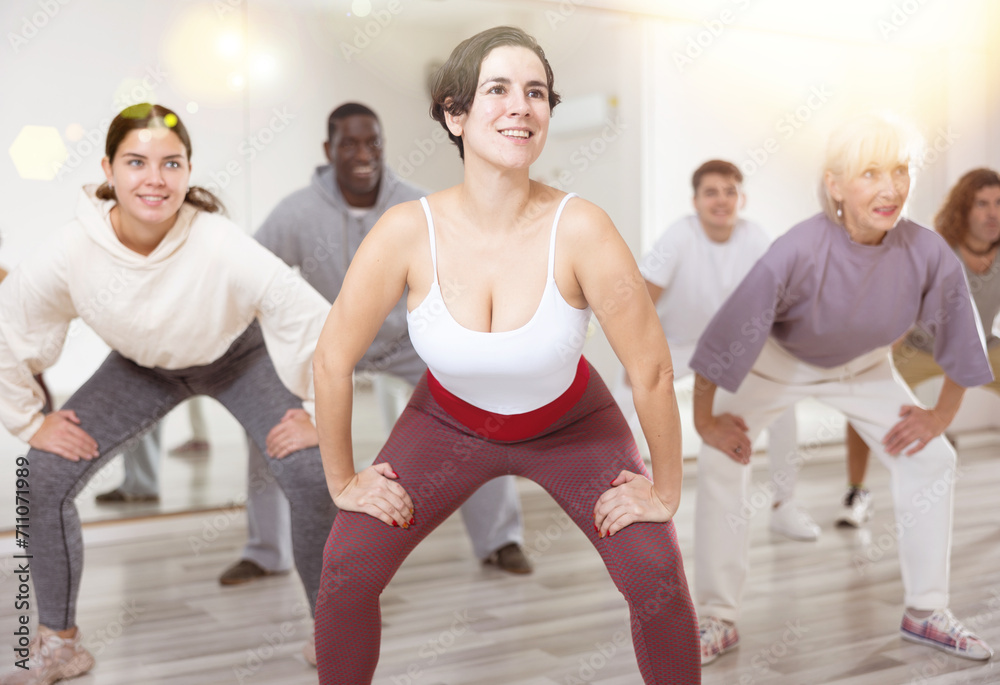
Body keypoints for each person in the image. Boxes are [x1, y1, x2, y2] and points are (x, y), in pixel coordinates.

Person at [312, 26, 700, 684]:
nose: (520, 105)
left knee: (657, 572)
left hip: (574, 425)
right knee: (347, 567)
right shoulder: (407, 230)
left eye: (536, 92)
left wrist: (665, 487)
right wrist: (342, 480)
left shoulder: (582, 228)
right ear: (455, 113)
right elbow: (330, 357)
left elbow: (651, 369)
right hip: (444, 423)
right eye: (498, 89)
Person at [0, 103, 335, 683]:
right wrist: (30, 423)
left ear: (187, 172)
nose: (154, 179)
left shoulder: (219, 242)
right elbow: (10, 326)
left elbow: (312, 318)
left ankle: (335, 625)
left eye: (171, 164)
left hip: (239, 357)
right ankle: (59, 640)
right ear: (108, 169)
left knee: (310, 471)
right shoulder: (70, 251)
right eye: (136, 162)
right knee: (45, 473)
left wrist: (317, 413)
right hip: (142, 367)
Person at [690, 112, 994, 665]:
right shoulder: (797, 249)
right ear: (835, 184)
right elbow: (726, 338)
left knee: (933, 460)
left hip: (864, 367)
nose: (891, 187)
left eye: (900, 170)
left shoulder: (926, 252)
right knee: (719, 460)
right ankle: (717, 617)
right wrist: (706, 422)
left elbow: (964, 344)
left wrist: (938, 420)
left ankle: (926, 611)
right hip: (777, 363)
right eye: (870, 173)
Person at [218, 102, 532, 588]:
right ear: (329, 150)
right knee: (272, 425)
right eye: (350, 143)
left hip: (404, 340)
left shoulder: (420, 207)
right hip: (326, 342)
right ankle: (265, 551)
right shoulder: (296, 211)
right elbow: (250, 279)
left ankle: (500, 540)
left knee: (478, 408)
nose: (364, 153)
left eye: (373, 142)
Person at [614, 159, 817, 541]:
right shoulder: (679, 236)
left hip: (730, 347)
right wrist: (636, 355)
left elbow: (777, 305)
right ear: (696, 201)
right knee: (624, 397)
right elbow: (640, 301)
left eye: (729, 192)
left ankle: (784, 505)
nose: (721, 200)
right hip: (675, 343)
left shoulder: (756, 238)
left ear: (742, 198)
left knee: (784, 405)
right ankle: (626, 496)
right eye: (711, 192)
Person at [836, 167, 1000, 528]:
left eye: (999, 203)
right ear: (963, 209)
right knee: (860, 396)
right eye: (982, 204)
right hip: (919, 347)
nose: (993, 213)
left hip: (983, 346)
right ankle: (857, 491)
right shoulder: (935, 248)